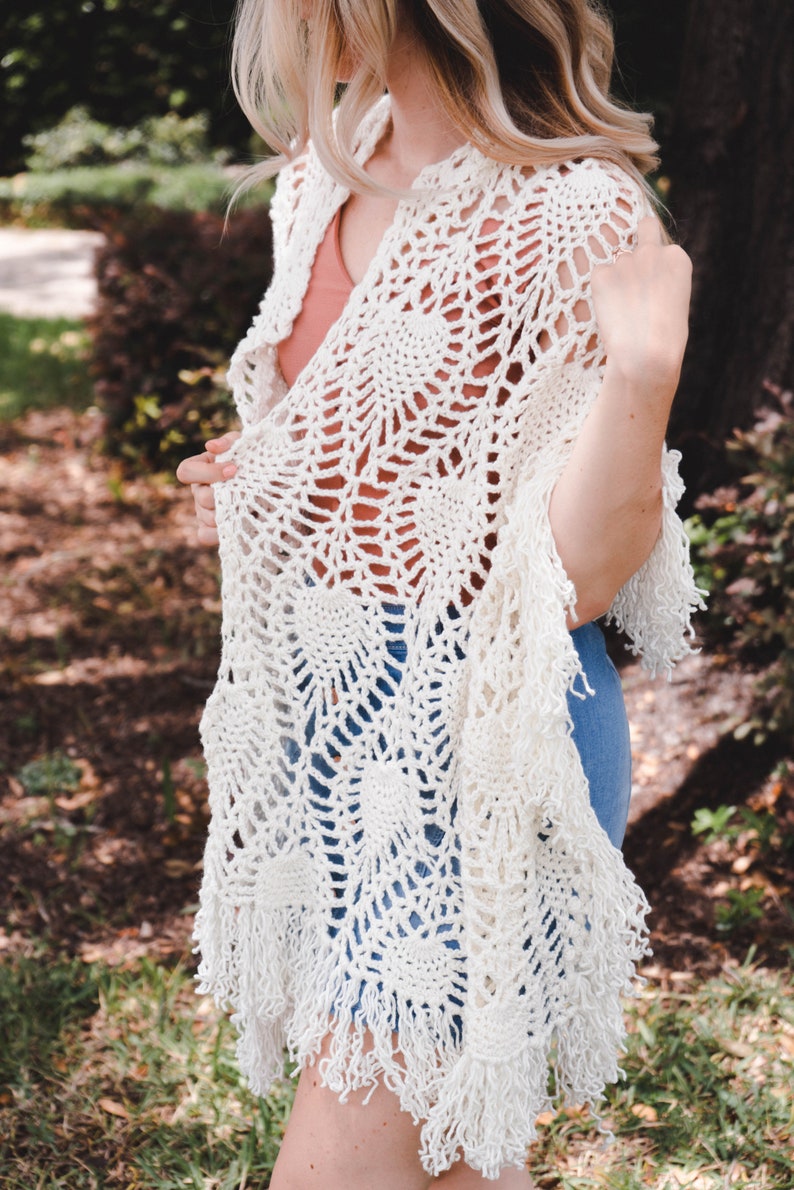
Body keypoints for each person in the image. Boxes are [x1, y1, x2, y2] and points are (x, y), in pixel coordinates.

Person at [176, 2, 702, 1185]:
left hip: (478, 737)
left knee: (348, 1154)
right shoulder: (323, 178)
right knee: (456, 1161)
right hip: (331, 722)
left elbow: (577, 576)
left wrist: (644, 371)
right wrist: (262, 468)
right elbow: (378, 450)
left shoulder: (573, 211)